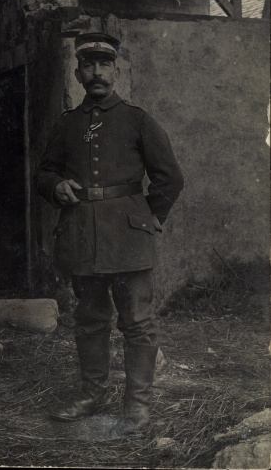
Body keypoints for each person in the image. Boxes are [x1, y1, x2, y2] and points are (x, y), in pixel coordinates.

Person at [34, 32, 184, 435]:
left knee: (138, 321)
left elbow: (170, 177)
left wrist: (151, 217)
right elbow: (44, 171)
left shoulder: (137, 119)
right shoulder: (66, 124)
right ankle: (91, 394)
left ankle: (137, 405)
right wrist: (54, 186)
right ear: (78, 71)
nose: (97, 72)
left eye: (104, 65)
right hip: (82, 235)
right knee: (90, 319)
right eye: (88, 65)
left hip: (129, 240)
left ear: (116, 70)